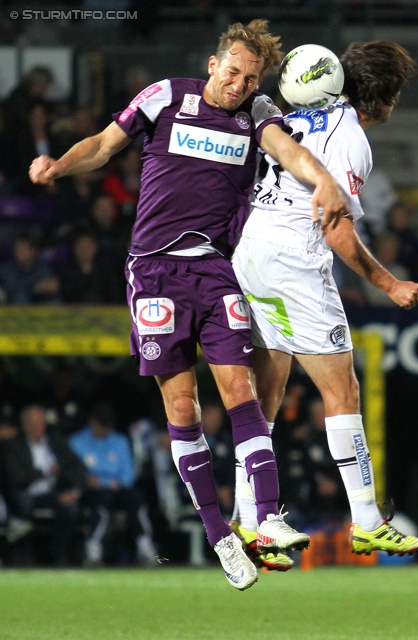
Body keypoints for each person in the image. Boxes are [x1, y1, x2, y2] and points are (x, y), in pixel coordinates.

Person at [29, 19, 349, 590]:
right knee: (182, 408)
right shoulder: (166, 96)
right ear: (212, 64)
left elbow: (287, 150)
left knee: (239, 390)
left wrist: (322, 180)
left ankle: (267, 517)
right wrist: (57, 164)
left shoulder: (257, 113)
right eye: (233, 73)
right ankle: (220, 534)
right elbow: (104, 146)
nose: (239, 86)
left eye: (250, 79)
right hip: (153, 271)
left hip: (214, 268)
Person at [232, 40, 418, 565]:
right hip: (293, 261)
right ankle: (367, 521)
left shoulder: (305, 115)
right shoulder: (351, 138)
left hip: (251, 251)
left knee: (267, 388)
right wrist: (390, 285)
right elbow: (336, 227)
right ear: (383, 96)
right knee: (343, 390)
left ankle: (249, 520)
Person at [69, 402, 159, 567]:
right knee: (100, 503)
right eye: (101, 425)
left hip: (118, 488)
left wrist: (110, 482)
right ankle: (93, 549)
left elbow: (128, 474)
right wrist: (92, 481)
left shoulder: (120, 441)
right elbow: (77, 473)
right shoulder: (77, 442)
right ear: (92, 422)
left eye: (107, 426)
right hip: (93, 492)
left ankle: (145, 546)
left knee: (137, 499)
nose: (104, 430)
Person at [1, 404, 86, 566]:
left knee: (69, 508)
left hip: (51, 493)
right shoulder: (13, 446)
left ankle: (59, 556)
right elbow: (14, 477)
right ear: (24, 425)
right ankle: (24, 555)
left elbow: (77, 467)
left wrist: (74, 491)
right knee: (23, 505)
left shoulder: (56, 442)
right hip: (24, 493)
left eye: (40, 422)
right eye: (32, 422)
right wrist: (45, 472)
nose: (36, 426)